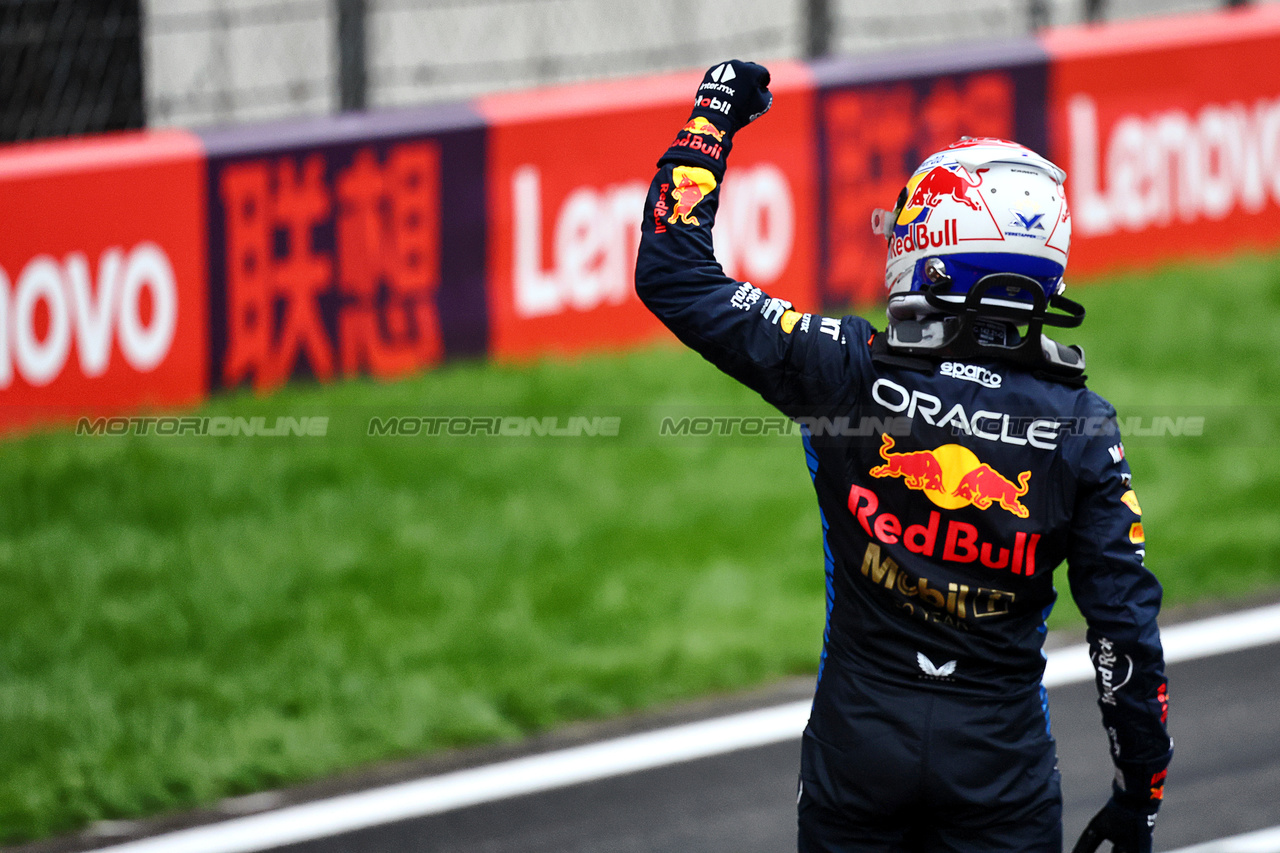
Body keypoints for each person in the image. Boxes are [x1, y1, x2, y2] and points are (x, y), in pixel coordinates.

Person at [634, 60, 1172, 853]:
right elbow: (1124, 632)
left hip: (856, 753)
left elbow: (672, 270)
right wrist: (1139, 795)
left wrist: (712, 115)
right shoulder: (1085, 425)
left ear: (936, 245)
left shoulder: (844, 367)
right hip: (1002, 769)